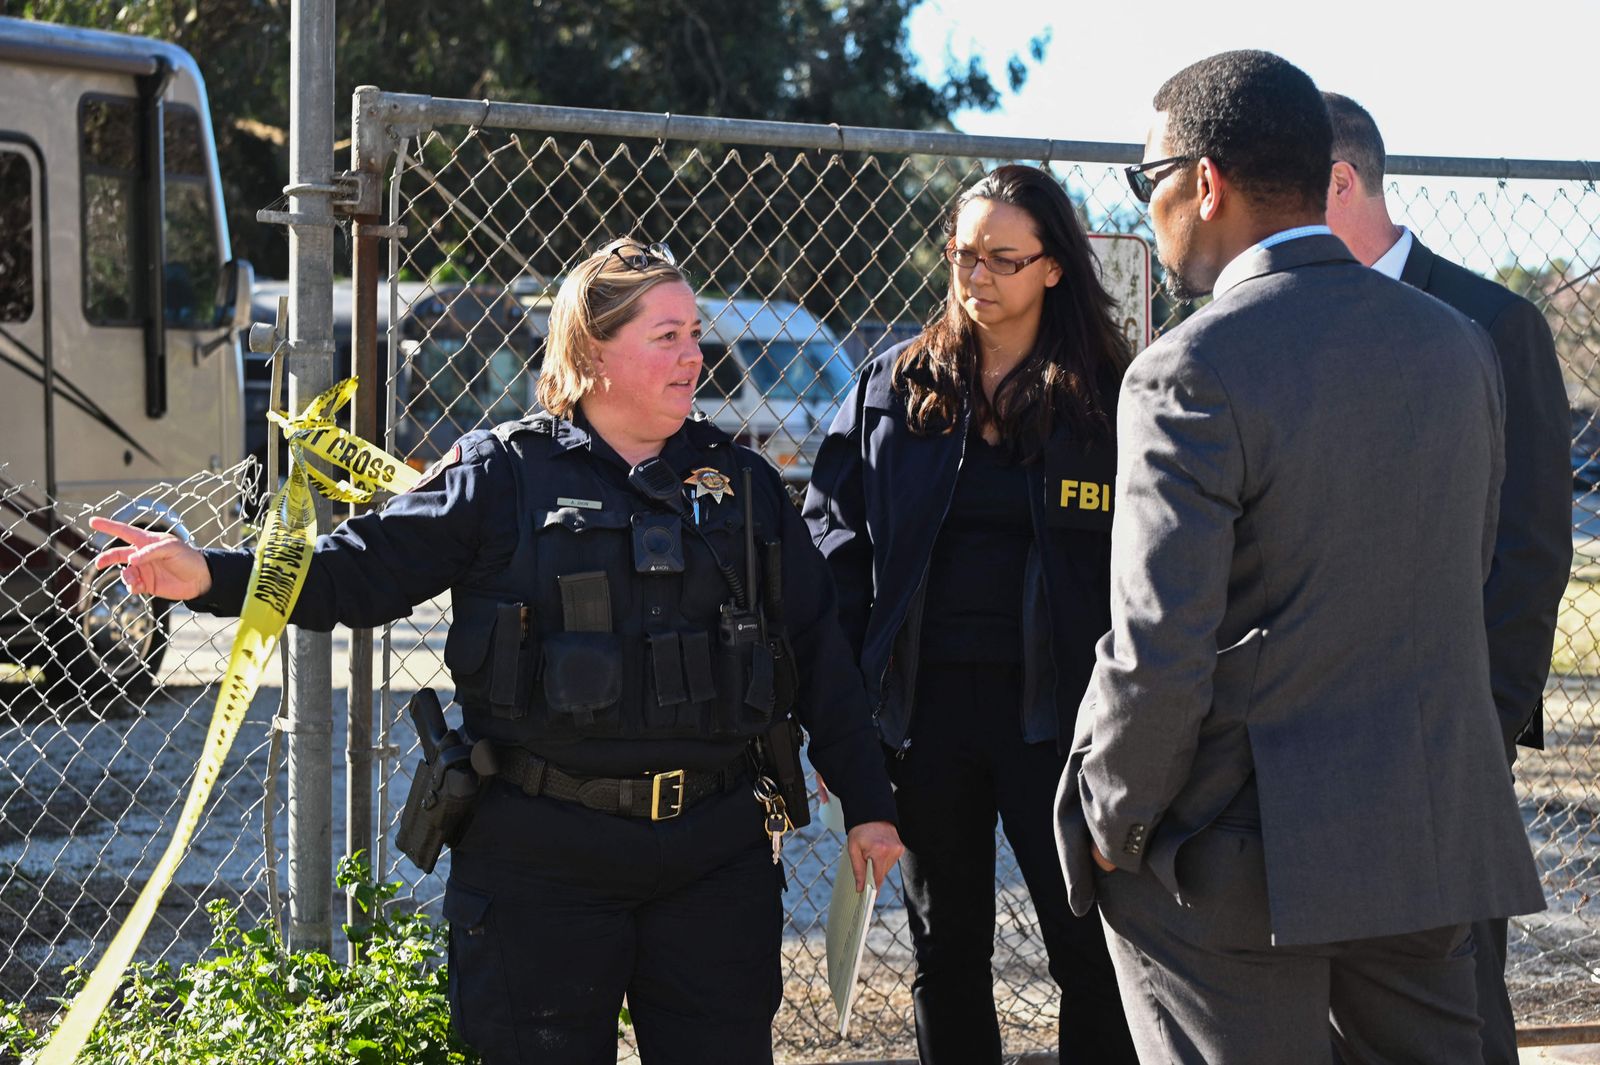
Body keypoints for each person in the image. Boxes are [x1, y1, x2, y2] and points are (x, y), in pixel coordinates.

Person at [90, 238, 905, 1065]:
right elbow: (359, 572)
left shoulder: (746, 484)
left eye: (694, 331)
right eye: (667, 336)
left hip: (713, 856)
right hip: (541, 861)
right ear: (593, 349)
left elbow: (817, 651)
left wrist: (870, 803)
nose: (696, 353)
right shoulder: (502, 475)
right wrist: (212, 576)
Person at [1055, 50, 1547, 1064]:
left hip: (1233, 852)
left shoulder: (1187, 370)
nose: (1147, 210)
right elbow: (1470, 581)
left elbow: (1158, 646)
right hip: (1420, 836)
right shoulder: (1457, 344)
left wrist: (1108, 817)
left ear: (1203, 181)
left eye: (1146, 182)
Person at [803, 164, 1137, 1065]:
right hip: (925, 719)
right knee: (944, 950)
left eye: (1001, 257)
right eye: (960, 255)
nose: (975, 277)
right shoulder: (893, 387)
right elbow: (833, 554)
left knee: (1091, 954)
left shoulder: (1111, 398)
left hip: (1062, 723)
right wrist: (845, 723)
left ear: (1054, 267)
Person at [1323, 91, 1570, 1064]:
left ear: (1341, 182)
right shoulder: (1271, 323)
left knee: (1458, 1016)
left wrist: (1489, 720)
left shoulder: (1493, 321)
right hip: (1311, 738)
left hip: (1451, 744)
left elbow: (1531, 548)